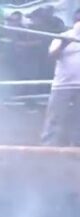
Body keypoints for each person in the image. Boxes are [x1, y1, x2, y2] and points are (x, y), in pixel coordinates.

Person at [41, 10, 80, 146]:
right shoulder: (62, 36)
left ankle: (77, 147)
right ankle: (49, 146)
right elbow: (52, 56)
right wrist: (65, 44)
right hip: (63, 84)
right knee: (55, 117)